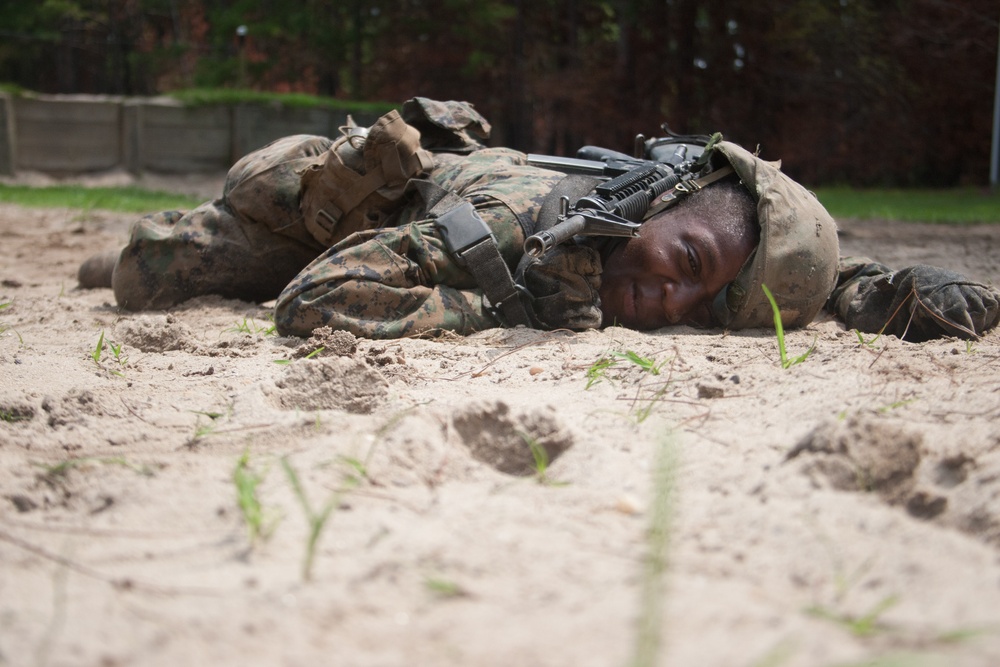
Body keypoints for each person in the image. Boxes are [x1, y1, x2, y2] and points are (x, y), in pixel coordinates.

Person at [78, 98, 1000, 343]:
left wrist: (884, 287)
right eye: (682, 258)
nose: (670, 297)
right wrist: (495, 312)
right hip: (335, 216)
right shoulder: (526, 225)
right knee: (142, 270)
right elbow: (314, 299)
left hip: (427, 223)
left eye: (703, 296)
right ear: (656, 202)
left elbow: (785, 270)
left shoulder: (690, 240)